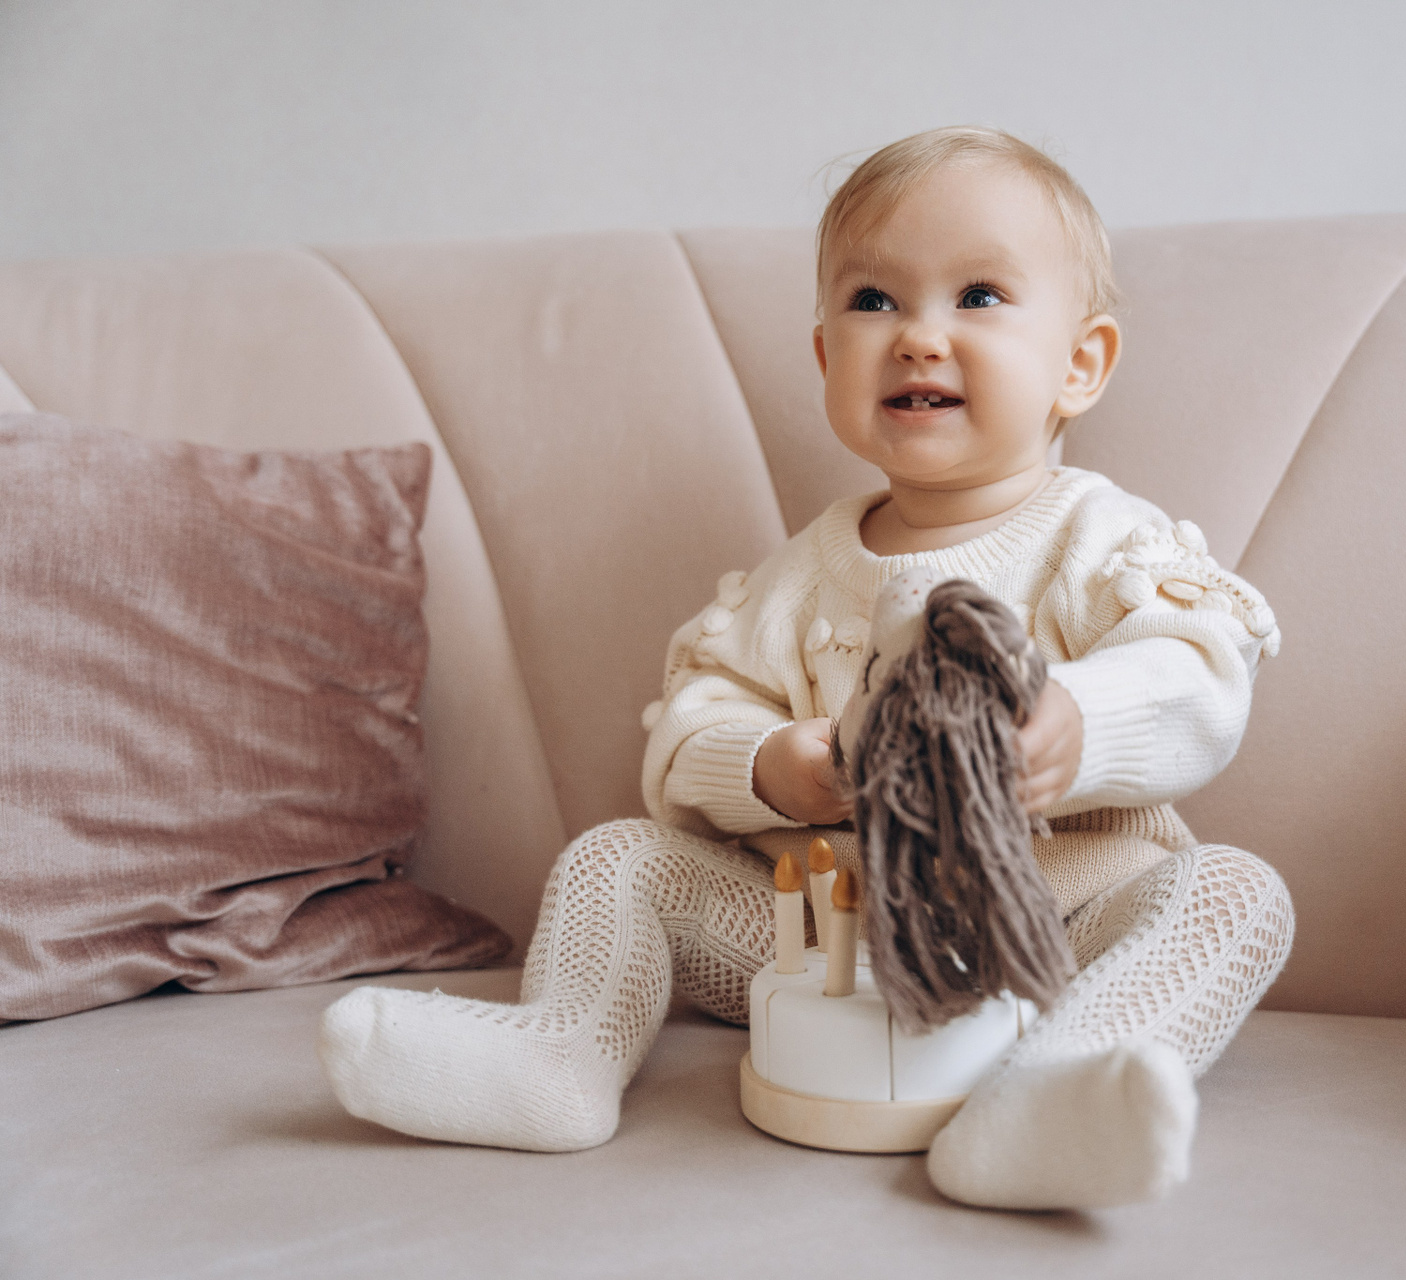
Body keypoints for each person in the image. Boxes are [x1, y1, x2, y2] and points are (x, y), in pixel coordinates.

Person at [319, 126, 1294, 1211]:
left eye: (977, 295)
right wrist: (779, 767)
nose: (919, 336)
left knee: (1238, 893)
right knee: (615, 857)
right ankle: (560, 1054)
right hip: (821, 945)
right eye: (875, 301)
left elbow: (1201, 677)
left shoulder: (1103, 541)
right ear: (829, 359)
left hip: (1057, 931)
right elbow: (688, 731)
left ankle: (1054, 1095)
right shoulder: (796, 580)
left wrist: (1076, 722)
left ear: (1081, 363)